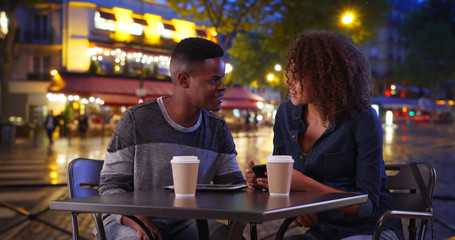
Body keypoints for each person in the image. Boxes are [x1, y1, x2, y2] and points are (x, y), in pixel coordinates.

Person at [245, 31, 404, 240]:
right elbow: (286, 185)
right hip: (323, 231)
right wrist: (264, 184)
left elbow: (368, 205)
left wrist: (306, 186)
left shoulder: (363, 118)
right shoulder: (285, 114)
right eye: (288, 73)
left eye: (297, 75)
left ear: (324, 77)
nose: (287, 81)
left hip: (373, 229)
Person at [99, 37, 246, 240]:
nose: (222, 87)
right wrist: (140, 221)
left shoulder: (217, 129)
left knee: (225, 236)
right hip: (128, 220)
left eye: (222, 79)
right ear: (184, 80)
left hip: (189, 221)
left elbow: (233, 188)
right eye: (214, 80)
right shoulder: (136, 120)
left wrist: (251, 187)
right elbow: (110, 188)